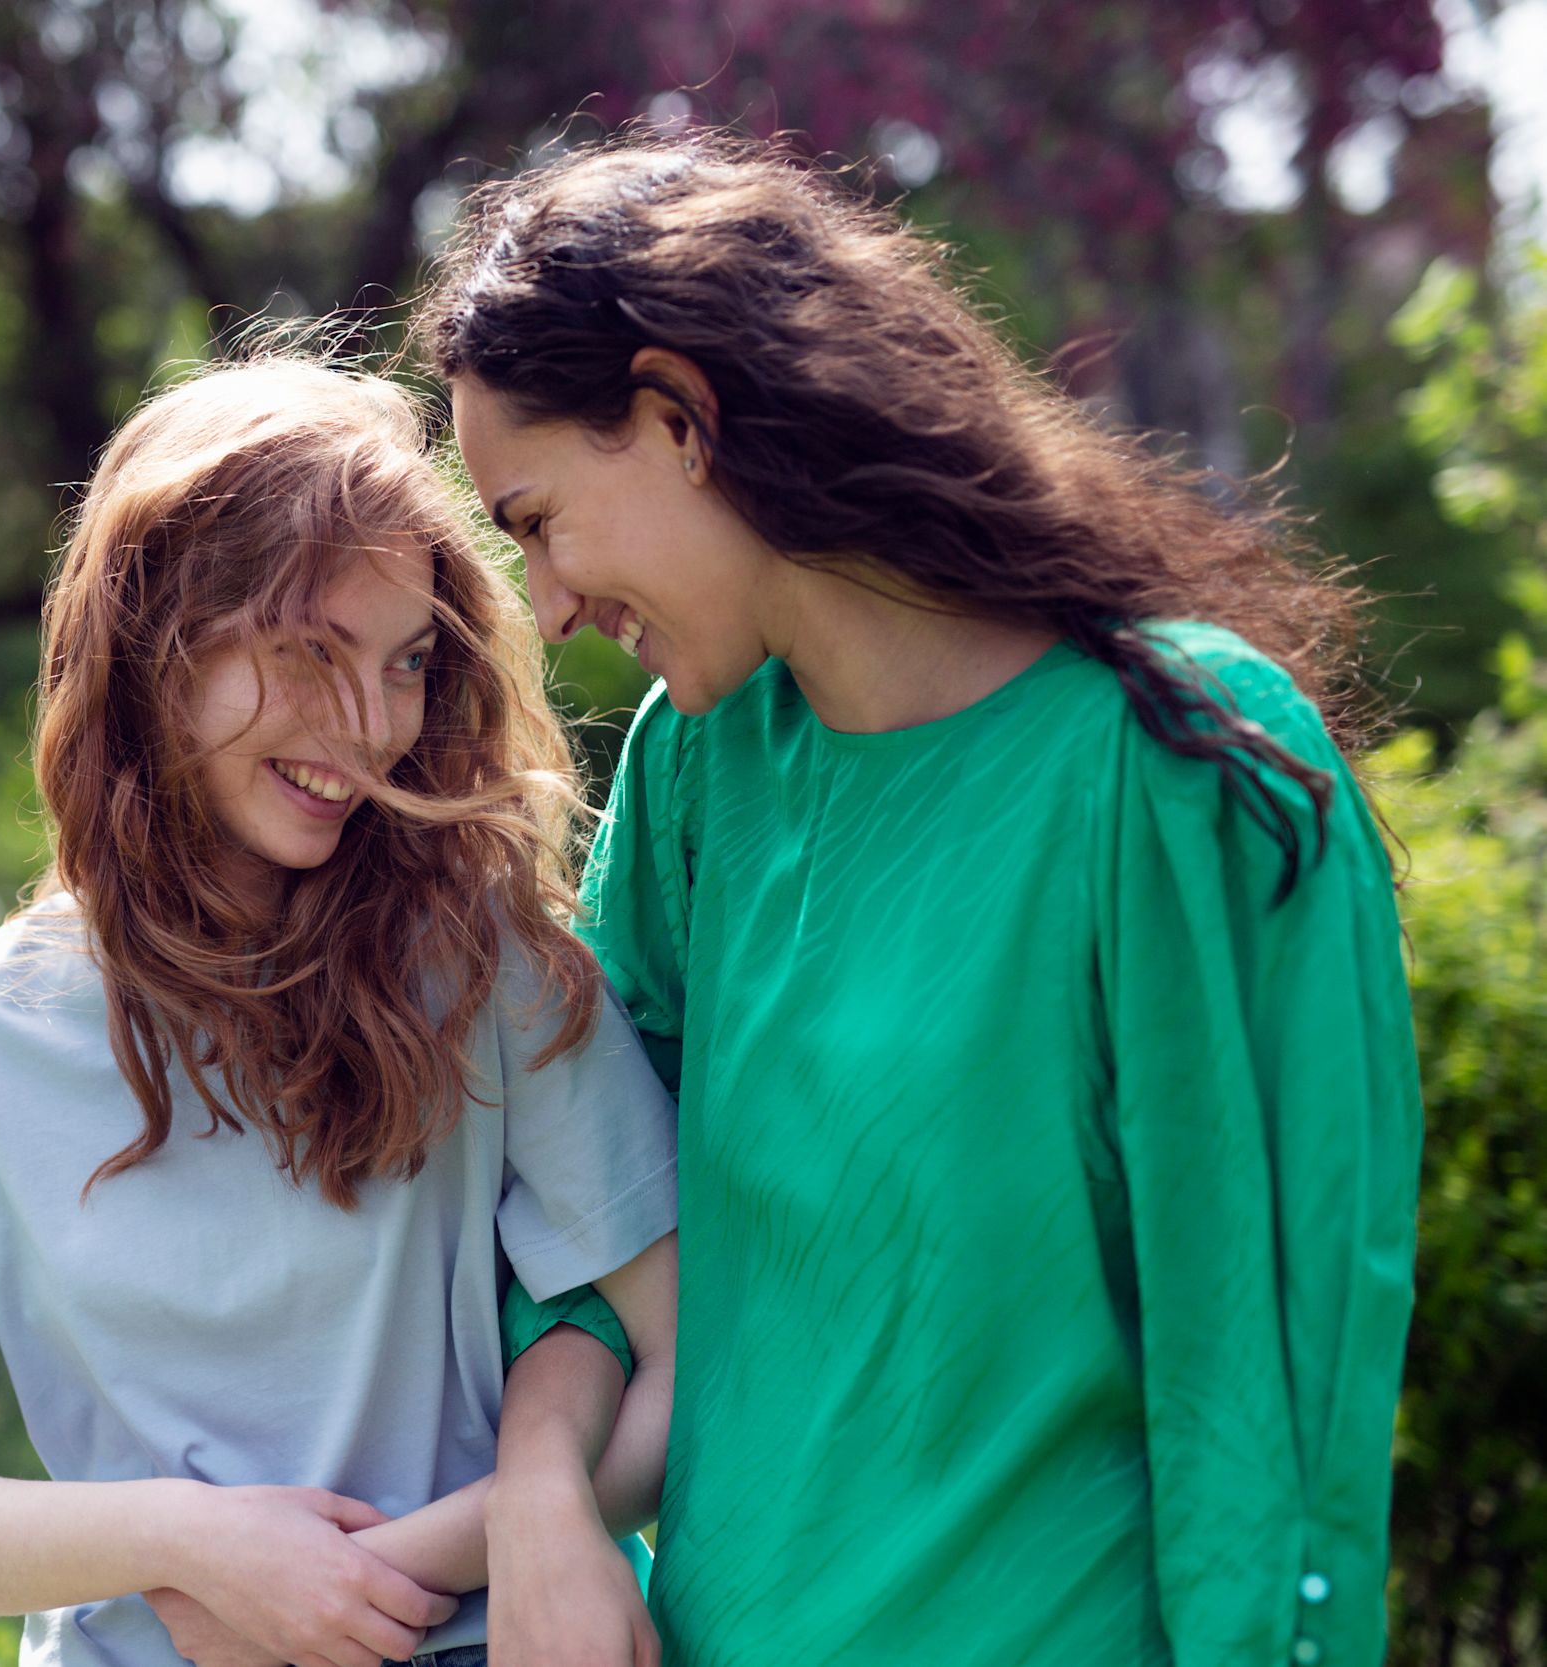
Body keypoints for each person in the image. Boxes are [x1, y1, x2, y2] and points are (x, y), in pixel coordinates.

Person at [420, 133, 1423, 1667]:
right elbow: (595, 1238)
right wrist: (542, 1490)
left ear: (680, 418)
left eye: (539, 518)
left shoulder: (1178, 767)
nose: (546, 609)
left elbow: (1267, 1402)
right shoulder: (703, 782)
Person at [0, 358, 680, 1667]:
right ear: (154, 645)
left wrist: (395, 1566)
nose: (373, 724)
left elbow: (688, 1366)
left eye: (404, 665)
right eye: (308, 654)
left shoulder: (486, 970)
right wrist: (189, 1542)